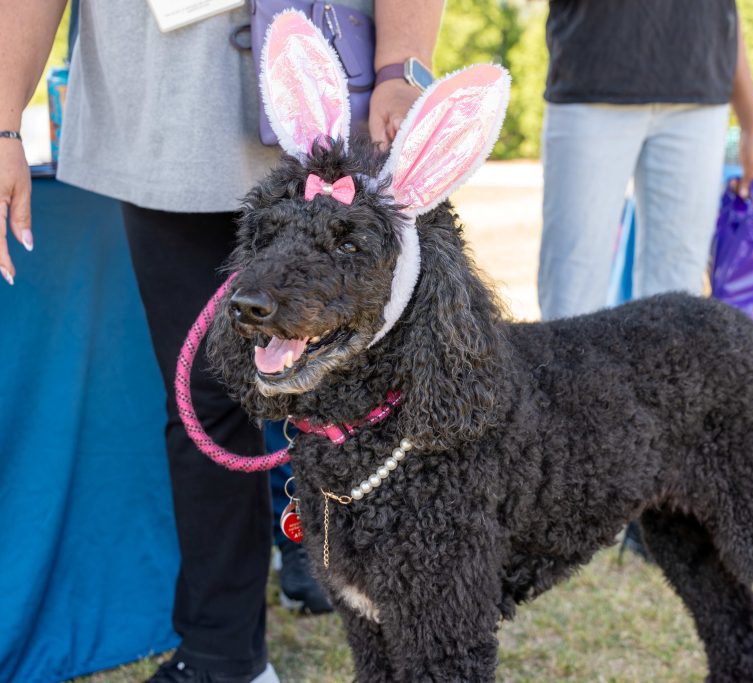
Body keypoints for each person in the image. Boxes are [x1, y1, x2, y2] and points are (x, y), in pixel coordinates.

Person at [0, 1, 443, 681]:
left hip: (326, 95)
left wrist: (402, 66)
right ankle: (225, 656)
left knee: (365, 395)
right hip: (162, 111)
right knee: (206, 401)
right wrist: (2, 121)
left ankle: (411, 619)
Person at [537, 0, 753, 322]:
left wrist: (752, 121)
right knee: (572, 288)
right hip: (591, 83)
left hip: (699, 92)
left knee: (678, 300)